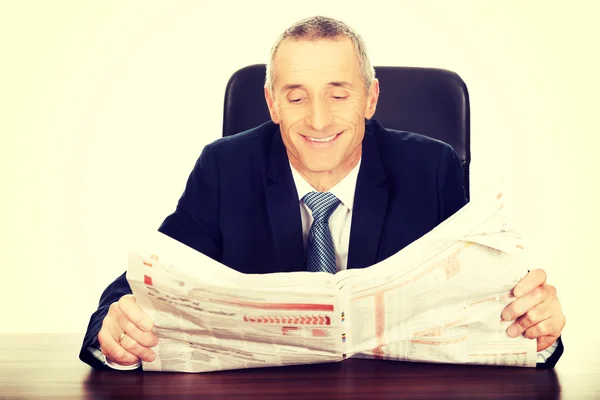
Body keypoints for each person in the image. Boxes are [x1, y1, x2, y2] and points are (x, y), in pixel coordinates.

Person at [79, 16, 565, 371]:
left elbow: (490, 300)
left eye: (338, 94)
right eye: (295, 97)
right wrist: (113, 329)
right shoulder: (225, 168)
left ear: (370, 98)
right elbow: (146, 283)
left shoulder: (431, 169)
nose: (317, 120)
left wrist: (538, 327)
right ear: (271, 103)